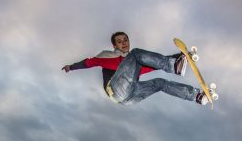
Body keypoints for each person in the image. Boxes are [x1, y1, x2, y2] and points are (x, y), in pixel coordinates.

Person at [62, 31, 209, 106]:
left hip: (129, 97)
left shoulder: (134, 62)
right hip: (115, 88)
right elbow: (90, 62)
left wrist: (181, 56)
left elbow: (153, 65)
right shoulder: (107, 55)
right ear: (114, 45)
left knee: (159, 83)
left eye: (125, 40)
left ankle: (196, 96)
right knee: (136, 53)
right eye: (119, 42)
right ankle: (174, 65)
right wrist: (72, 67)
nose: (124, 43)